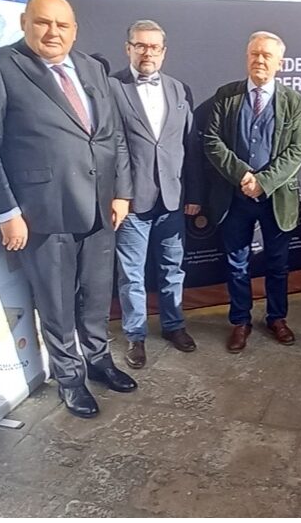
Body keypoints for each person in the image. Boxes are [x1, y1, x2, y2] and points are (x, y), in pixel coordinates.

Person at [0, 0, 137, 418]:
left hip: (100, 208)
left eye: (62, 25)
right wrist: (8, 212)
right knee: (56, 303)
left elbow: (113, 135)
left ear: (74, 30)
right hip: (42, 212)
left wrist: (122, 192)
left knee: (97, 295)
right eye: (43, 22)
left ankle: (98, 360)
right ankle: (70, 378)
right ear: (25, 23)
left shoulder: (92, 68)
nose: (53, 32)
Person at [203, 31, 301, 353]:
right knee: (237, 264)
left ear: (280, 62)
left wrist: (263, 181)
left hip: (276, 198)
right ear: (246, 57)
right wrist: (242, 175)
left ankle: (276, 317)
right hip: (234, 198)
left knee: (277, 263)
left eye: (266, 55)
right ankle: (240, 321)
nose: (259, 60)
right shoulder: (227, 96)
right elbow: (212, 140)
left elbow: (297, 148)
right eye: (254, 54)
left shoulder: (293, 101)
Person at [112, 20, 203, 368]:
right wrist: (120, 194)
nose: (147, 52)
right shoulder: (111, 88)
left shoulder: (179, 89)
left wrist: (192, 192)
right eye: (140, 45)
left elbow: (188, 146)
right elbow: (110, 147)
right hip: (132, 201)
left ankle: (173, 325)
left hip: (172, 200)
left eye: (154, 47)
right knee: (132, 275)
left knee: (172, 269)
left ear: (163, 51)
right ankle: (135, 337)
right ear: (129, 48)